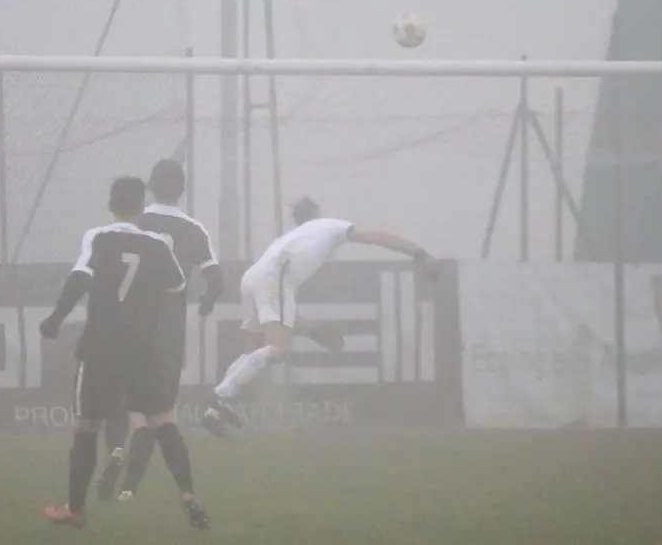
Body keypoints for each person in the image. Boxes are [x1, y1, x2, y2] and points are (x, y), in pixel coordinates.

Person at [40, 176, 209, 530]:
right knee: (163, 420)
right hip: (144, 348)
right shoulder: (157, 245)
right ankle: (189, 495)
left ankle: (75, 508)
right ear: (141, 208)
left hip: (101, 346)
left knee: (87, 427)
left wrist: (55, 318)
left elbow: (80, 277)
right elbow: (178, 283)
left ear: (110, 205)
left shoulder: (99, 237)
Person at [202, 196, 437, 438]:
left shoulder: (290, 237)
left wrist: (313, 330)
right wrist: (420, 254)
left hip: (252, 278)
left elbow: (289, 317)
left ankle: (213, 411)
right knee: (279, 349)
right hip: (276, 276)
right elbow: (379, 237)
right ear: (317, 214)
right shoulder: (332, 226)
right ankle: (221, 395)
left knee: (253, 347)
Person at [96, 158, 223, 503]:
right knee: (159, 410)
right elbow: (216, 279)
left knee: (124, 400)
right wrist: (207, 302)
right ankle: (128, 489)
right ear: (181, 189)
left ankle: (117, 450)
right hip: (169, 328)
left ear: (150, 186)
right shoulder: (195, 229)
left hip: (130, 320)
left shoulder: (138, 219)